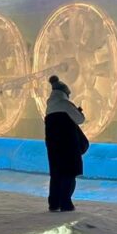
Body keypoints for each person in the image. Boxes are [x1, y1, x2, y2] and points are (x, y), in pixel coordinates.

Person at [44, 75, 87, 212]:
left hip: (53, 147)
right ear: (64, 92)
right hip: (68, 145)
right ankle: (66, 203)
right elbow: (80, 120)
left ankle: (54, 203)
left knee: (56, 175)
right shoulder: (65, 104)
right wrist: (78, 111)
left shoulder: (49, 107)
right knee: (69, 174)